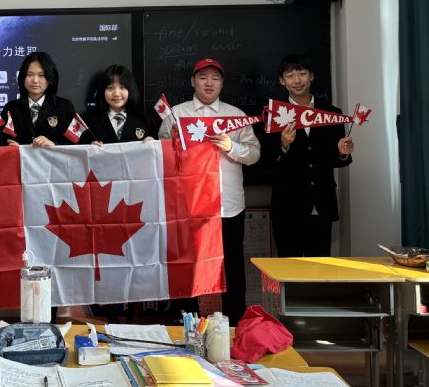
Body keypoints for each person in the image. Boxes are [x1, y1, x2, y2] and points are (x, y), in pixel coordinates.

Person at [158, 58, 260, 326]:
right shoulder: (176, 114)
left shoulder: (236, 115)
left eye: (215, 78)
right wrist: (174, 143)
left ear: (222, 83)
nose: (209, 83)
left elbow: (255, 154)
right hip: (189, 205)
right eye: (203, 77)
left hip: (228, 205)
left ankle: (235, 324)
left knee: (232, 267)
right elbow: (160, 155)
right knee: (188, 265)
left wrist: (231, 147)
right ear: (193, 81)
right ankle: (186, 323)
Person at [266, 54, 354, 258]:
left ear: (312, 76)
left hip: (320, 203)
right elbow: (265, 161)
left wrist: (341, 152)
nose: (297, 80)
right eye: (290, 76)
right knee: (288, 267)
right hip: (287, 206)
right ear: (282, 81)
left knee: (319, 267)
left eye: (302, 73)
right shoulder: (273, 114)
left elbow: (337, 160)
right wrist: (283, 145)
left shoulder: (331, 112)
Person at [0, 51, 76, 147]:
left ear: (50, 78)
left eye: (41, 75)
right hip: (20, 157)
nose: (35, 80)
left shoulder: (64, 107)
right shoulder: (11, 108)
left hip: (53, 157)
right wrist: (10, 146)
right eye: (30, 74)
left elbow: (76, 144)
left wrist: (54, 145)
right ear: (23, 78)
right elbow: (0, 142)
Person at [82, 64, 154, 145]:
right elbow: (75, 147)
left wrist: (153, 143)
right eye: (110, 88)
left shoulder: (143, 120)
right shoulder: (87, 121)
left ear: (130, 90)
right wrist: (89, 146)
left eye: (122, 87)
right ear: (103, 90)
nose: (116, 94)